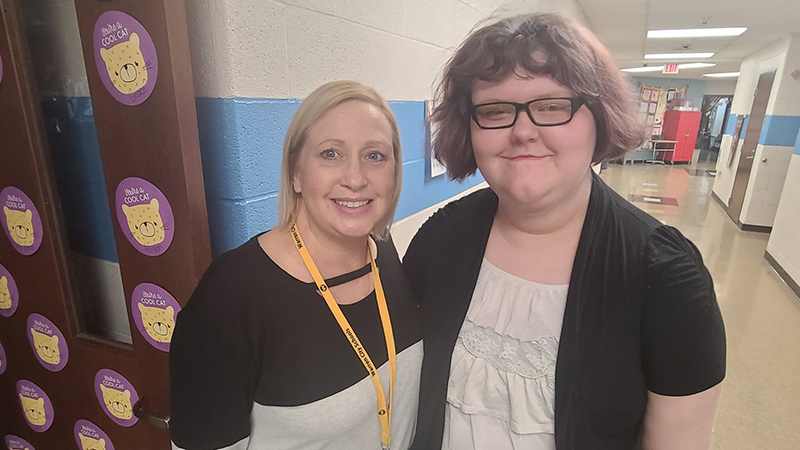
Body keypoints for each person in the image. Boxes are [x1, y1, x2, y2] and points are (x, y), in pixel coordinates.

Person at [404, 13, 726, 450]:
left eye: (552, 106)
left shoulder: (664, 276)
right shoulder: (441, 239)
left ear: (599, 118)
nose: (522, 131)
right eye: (495, 110)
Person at [170, 81, 423, 450]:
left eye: (375, 156)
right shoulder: (229, 298)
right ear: (296, 173)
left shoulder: (383, 254)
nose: (355, 178)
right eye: (331, 153)